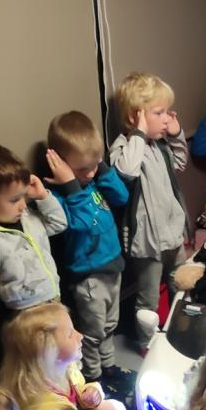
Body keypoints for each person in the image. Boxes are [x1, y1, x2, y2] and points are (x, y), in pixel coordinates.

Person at [43, 111, 130, 392]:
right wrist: (70, 185)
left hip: (112, 267)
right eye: (82, 169)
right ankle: (94, 377)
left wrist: (100, 168)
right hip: (88, 277)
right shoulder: (60, 196)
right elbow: (81, 224)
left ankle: (109, 366)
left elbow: (121, 196)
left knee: (110, 325)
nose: (90, 173)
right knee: (93, 333)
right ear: (61, 164)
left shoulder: (93, 181)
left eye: (94, 165)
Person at [109, 72, 189, 347]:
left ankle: (181, 333)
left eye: (168, 112)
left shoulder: (159, 146)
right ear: (135, 117)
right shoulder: (125, 147)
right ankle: (147, 344)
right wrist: (139, 133)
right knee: (148, 299)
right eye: (159, 112)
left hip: (172, 235)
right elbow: (127, 171)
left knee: (181, 286)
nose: (166, 118)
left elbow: (180, 163)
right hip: (147, 242)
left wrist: (176, 135)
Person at [0, 143, 66, 310]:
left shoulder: (28, 217)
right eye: (15, 200)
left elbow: (59, 224)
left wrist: (42, 196)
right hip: (25, 310)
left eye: (23, 196)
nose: (23, 205)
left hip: (54, 297)